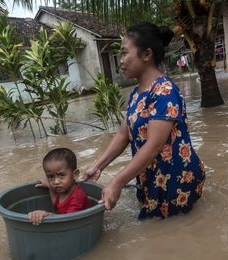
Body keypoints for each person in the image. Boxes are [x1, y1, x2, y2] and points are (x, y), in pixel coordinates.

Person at [83, 22, 206, 219]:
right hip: (149, 176)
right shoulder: (136, 93)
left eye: (124, 53)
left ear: (146, 55)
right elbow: (124, 133)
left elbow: (155, 146)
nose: (120, 61)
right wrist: (98, 166)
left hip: (174, 180)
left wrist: (117, 182)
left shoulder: (164, 91)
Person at [28, 148, 91, 225]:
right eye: (51, 177)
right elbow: (56, 204)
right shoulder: (62, 189)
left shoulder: (77, 196)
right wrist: (50, 187)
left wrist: (47, 215)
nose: (56, 182)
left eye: (61, 175)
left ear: (75, 174)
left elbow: (68, 220)